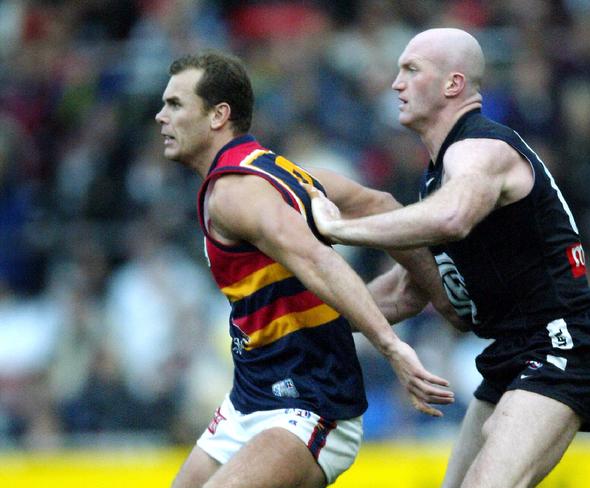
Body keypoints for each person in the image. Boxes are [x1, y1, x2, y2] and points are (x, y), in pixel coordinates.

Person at [306, 28, 590, 487]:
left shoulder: (480, 148)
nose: (396, 83)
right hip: (514, 351)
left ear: (453, 85)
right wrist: (306, 318)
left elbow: (452, 218)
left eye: (411, 70)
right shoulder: (438, 177)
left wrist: (340, 230)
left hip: (564, 341)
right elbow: (408, 290)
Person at [154, 51, 455, 488]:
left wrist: (392, 347)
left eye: (176, 104)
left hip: (308, 406)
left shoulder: (234, 194)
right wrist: (442, 296)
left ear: (219, 115)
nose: (161, 116)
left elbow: (316, 258)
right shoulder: (284, 172)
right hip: (251, 399)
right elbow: (384, 207)